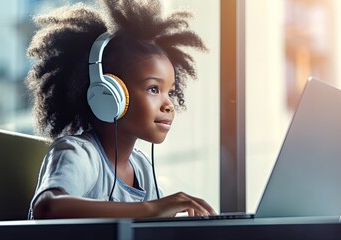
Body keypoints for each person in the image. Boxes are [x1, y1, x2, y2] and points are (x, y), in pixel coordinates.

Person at [25, 0, 215, 219]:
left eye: (170, 92)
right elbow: (48, 207)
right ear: (109, 93)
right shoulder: (78, 153)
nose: (169, 105)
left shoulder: (142, 167)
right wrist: (152, 208)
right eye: (154, 89)